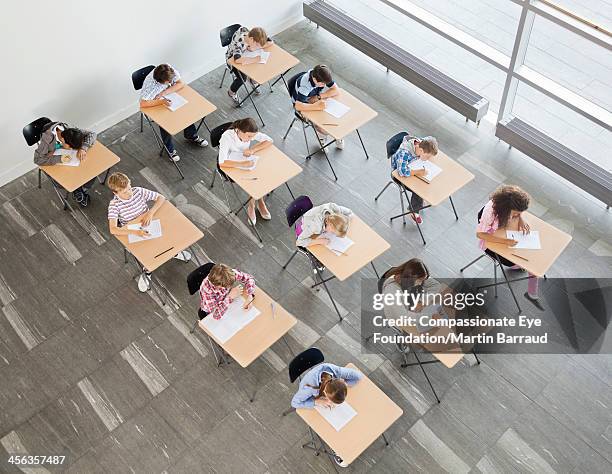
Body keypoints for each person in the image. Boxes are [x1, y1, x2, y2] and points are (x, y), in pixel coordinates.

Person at [106, 172, 191, 292]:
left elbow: (161, 198)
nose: (130, 193)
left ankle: (172, 253)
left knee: (167, 236)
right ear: (115, 193)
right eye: (125, 192)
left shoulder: (138, 191)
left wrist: (150, 213)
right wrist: (135, 232)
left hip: (149, 223)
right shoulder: (114, 205)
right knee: (147, 253)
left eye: (129, 188)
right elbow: (113, 229)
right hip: (132, 232)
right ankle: (147, 271)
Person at [476, 185, 542, 309]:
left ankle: (532, 290)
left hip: (505, 232)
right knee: (528, 263)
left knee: (533, 261)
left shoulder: (511, 202)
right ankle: (531, 290)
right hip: (492, 242)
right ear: (507, 208)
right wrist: (504, 241)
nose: (518, 214)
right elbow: (480, 234)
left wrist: (520, 218)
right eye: (516, 212)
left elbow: (517, 212)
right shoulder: (490, 212)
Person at [291, 362, 363, 467]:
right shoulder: (309, 388)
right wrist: (316, 402)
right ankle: (336, 448)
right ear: (326, 395)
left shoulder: (335, 371)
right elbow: (295, 403)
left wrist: (344, 384)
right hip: (312, 400)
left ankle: (347, 442)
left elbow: (358, 376)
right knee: (330, 428)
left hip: (326, 392)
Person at [139, 64, 208, 162]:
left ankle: (191, 135)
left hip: (167, 97)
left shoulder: (169, 70)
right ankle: (169, 150)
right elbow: (143, 104)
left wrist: (164, 93)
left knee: (185, 111)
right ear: (161, 82)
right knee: (165, 124)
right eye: (169, 82)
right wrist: (161, 101)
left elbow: (180, 83)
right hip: (153, 104)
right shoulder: (150, 86)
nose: (172, 82)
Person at [218, 118, 273, 224]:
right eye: (249, 136)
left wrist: (252, 150)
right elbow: (222, 163)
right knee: (254, 179)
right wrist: (242, 164)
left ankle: (259, 200)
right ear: (239, 130)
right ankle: (253, 204)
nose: (251, 139)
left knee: (260, 174)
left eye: (252, 136)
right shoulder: (227, 137)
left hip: (244, 159)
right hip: (230, 165)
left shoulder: (249, 132)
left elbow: (269, 141)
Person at [33, 121, 97, 206]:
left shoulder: (69, 129)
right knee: (66, 181)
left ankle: (79, 189)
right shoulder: (47, 139)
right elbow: (37, 160)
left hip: (65, 159)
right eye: (70, 147)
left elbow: (92, 134)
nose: (71, 150)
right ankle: (78, 190)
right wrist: (59, 158)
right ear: (62, 140)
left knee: (92, 172)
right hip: (55, 163)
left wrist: (83, 148)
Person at [290, 65, 344, 150]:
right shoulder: (305, 85)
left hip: (313, 100)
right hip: (303, 105)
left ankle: (337, 135)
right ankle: (323, 137)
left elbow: (336, 90)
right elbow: (298, 106)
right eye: (322, 84)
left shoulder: (322, 75)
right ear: (314, 79)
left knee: (334, 119)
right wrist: (316, 107)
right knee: (323, 126)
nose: (324, 85)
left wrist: (318, 96)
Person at [390, 135, 439, 224]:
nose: (428, 159)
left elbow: (430, 141)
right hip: (399, 174)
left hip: (413, 166)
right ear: (420, 150)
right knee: (418, 188)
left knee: (425, 181)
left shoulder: (421, 143)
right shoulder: (404, 153)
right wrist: (418, 172)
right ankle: (414, 210)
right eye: (427, 157)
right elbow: (402, 172)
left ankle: (420, 200)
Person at [225, 26, 273, 104]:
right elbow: (237, 60)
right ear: (251, 39)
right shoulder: (238, 43)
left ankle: (252, 80)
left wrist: (255, 48)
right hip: (232, 60)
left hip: (245, 54)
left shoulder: (253, 34)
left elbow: (271, 42)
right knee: (242, 78)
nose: (258, 47)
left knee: (257, 67)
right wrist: (255, 59)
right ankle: (231, 92)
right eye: (257, 45)